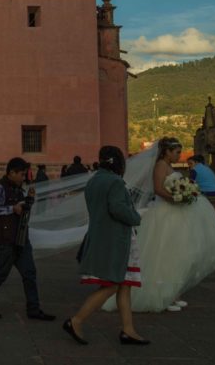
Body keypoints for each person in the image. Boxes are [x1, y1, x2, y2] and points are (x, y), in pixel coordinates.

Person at [115, 137, 215, 313]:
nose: (179, 156)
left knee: (178, 255)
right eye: (176, 152)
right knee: (165, 255)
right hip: (165, 213)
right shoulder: (160, 165)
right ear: (166, 152)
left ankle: (173, 293)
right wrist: (177, 197)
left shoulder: (168, 166)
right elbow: (158, 188)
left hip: (174, 213)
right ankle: (162, 295)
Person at [64, 145, 147, 347]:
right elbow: (118, 208)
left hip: (101, 236)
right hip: (116, 238)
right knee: (113, 283)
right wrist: (136, 217)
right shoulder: (116, 182)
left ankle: (128, 329)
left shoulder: (94, 181)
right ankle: (76, 320)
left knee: (123, 285)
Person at [0, 157, 55, 321]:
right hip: (6, 238)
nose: (24, 178)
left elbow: (23, 210)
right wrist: (12, 208)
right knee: (1, 273)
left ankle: (34, 308)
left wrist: (29, 199)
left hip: (21, 236)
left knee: (29, 272)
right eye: (22, 174)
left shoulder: (18, 188)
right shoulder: (0, 187)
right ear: (11, 172)